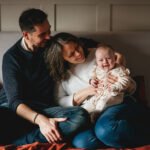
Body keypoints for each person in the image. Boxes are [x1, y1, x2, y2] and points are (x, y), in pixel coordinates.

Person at [44, 32, 150, 149]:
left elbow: (131, 85)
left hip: (114, 102)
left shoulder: (99, 53)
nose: (79, 53)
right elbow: (59, 101)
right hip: (89, 111)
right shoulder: (61, 74)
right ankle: (116, 134)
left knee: (106, 130)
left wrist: (118, 84)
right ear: (62, 58)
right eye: (71, 54)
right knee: (83, 142)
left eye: (77, 47)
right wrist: (86, 92)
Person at [0, 8, 90, 145]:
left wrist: (105, 48)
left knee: (80, 116)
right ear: (26, 35)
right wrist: (40, 120)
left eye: (49, 30)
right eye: (42, 34)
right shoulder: (12, 58)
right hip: (18, 107)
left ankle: (22, 140)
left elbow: (80, 42)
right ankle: (39, 130)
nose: (49, 37)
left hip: (45, 107)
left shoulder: (50, 44)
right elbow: (15, 102)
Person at [81, 43, 136, 114]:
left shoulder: (119, 69)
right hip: (98, 95)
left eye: (109, 58)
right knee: (87, 106)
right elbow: (93, 76)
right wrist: (92, 80)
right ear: (96, 61)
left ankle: (96, 115)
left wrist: (115, 87)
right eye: (101, 60)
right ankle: (85, 114)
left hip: (113, 95)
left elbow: (126, 81)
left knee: (103, 102)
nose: (105, 62)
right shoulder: (96, 69)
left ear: (115, 58)